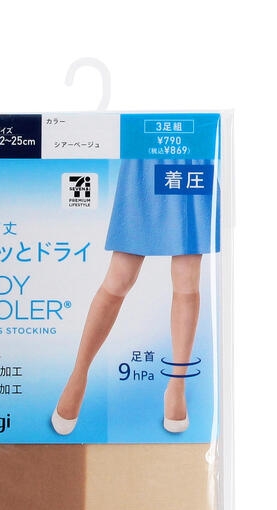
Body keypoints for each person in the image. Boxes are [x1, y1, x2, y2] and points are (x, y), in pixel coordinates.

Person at [51, 159, 213, 435]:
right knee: (119, 278)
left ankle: (177, 384)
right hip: (144, 158)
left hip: (190, 156)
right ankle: (78, 374)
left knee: (187, 280)